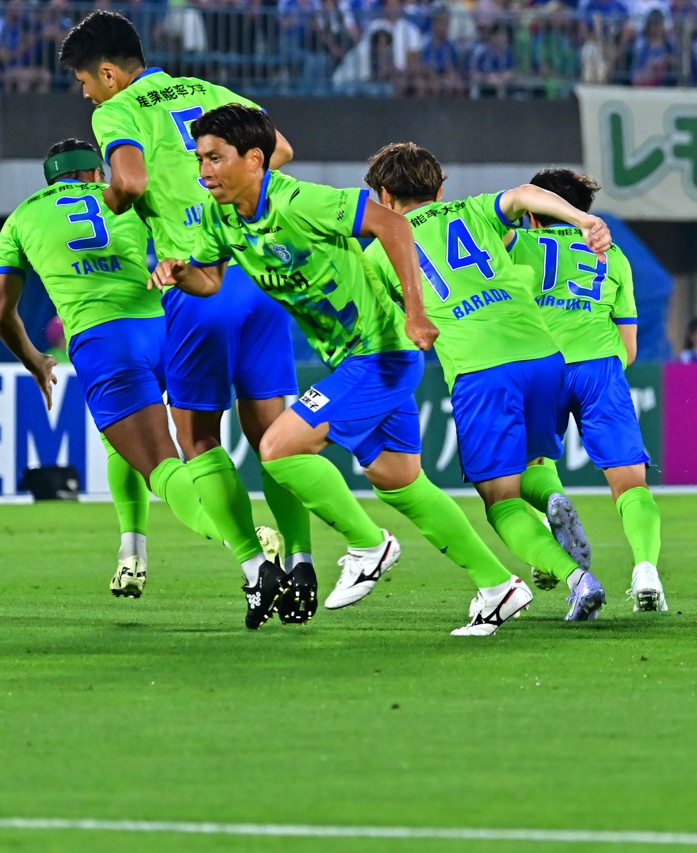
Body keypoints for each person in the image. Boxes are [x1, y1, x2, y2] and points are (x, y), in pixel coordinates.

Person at [156, 105, 537, 636]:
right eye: (200, 160)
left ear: (255, 159)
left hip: (379, 353)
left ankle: (368, 545)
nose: (204, 172)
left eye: (215, 158)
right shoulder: (221, 218)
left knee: (277, 446)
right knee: (399, 480)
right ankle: (499, 587)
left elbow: (392, 226)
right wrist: (178, 272)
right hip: (352, 359)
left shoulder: (300, 201)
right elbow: (210, 281)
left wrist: (416, 311)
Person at [60, 10, 310, 622]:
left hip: (197, 279)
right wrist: (222, 196)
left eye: (85, 79)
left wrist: (118, 202)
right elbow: (279, 149)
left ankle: (256, 569)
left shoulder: (115, 112)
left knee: (197, 438)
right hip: (259, 271)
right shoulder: (211, 93)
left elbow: (130, 177)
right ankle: (302, 561)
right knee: (272, 433)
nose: (84, 91)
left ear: (111, 73)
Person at [360, 145, 611, 622]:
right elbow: (523, 194)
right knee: (532, 463)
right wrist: (582, 219)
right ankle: (552, 497)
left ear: (384, 196)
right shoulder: (472, 210)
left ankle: (577, 580)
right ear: (439, 190)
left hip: (481, 370)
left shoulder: (377, 252)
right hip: (543, 354)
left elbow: (388, 331)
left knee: (499, 500)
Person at [0, 139, 224, 601]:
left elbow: (1, 313)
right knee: (133, 445)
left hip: (104, 341)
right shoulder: (125, 197)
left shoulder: (19, 218)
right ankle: (131, 551)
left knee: (158, 462)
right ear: (96, 173)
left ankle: (244, 539)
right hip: (164, 329)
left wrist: (35, 359)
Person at [504, 168, 667, 613]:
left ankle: (549, 520)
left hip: (542, 366)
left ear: (535, 211)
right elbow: (630, 349)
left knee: (529, 468)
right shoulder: (613, 256)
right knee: (631, 484)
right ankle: (646, 570)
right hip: (600, 367)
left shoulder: (518, 245)